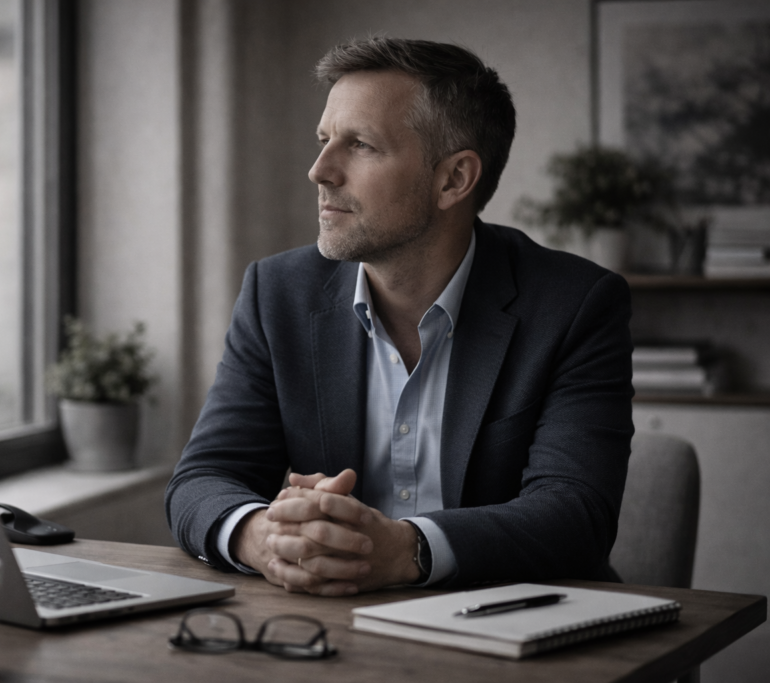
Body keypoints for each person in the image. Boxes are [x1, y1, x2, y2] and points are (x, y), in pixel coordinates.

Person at [165, 37, 634, 596]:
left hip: (517, 631)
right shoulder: (278, 293)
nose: (319, 170)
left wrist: (408, 548)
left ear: (454, 179)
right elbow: (202, 479)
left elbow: (575, 516)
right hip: (332, 629)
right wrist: (262, 535)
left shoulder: (575, 304)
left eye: (360, 145)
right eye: (323, 141)